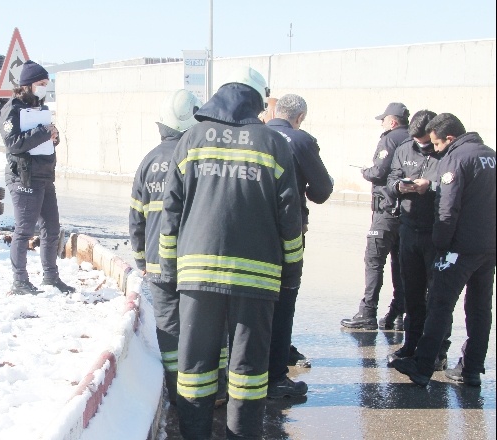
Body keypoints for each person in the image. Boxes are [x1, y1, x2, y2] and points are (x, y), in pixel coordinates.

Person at [160, 66, 303, 439]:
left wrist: (169, 271)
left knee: (195, 369)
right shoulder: (274, 143)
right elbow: (292, 218)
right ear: (258, 99)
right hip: (257, 280)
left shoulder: (191, 139)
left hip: (197, 276)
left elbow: (170, 212)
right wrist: (291, 274)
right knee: (249, 373)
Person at [129, 89, 230, 407]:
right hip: (197, 263)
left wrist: (142, 259)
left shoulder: (148, 162)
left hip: (159, 265)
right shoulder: (202, 158)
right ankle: (219, 389)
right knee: (212, 325)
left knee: (170, 329)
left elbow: (136, 217)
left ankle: (178, 393)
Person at [392, 113, 496, 387]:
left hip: (459, 248)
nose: (436, 150)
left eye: (436, 145)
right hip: (488, 247)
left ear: (449, 138)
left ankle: (423, 365)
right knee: (480, 309)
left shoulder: (456, 158)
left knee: (439, 304)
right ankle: (471, 369)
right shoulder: (491, 156)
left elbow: (447, 211)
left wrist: (440, 245)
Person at [265, 94, 334, 397]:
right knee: (284, 298)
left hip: (249, 233)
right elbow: (321, 190)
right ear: (300, 117)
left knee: (253, 300)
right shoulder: (301, 141)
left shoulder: (257, 135)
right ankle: (276, 377)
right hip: (289, 231)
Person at [0, 60, 74, 295]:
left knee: (52, 229)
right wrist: (42, 133)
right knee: (24, 230)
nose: (44, 87)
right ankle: (19, 280)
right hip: (23, 177)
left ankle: (51, 277)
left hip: (44, 176)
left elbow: (44, 138)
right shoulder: (12, 109)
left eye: (46, 83)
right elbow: (13, 144)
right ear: (28, 85)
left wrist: (53, 136)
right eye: (40, 83)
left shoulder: (40, 107)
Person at [383, 110, 450, 371]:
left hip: (436, 233)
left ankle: (437, 351)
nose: (423, 146)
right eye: (418, 141)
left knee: (438, 296)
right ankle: (411, 345)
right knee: (411, 292)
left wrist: (429, 186)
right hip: (408, 229)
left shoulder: (445, 152)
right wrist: (400, 186)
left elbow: (452, 188)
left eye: (426, 141)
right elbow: (389, 179)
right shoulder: (404, 148)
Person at [341, 102, 410, 330]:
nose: (381, 123)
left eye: (383, 119)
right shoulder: (414, 139)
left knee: (374, 261)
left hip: (386, 210)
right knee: (401, 264)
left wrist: (365, 171)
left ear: (392, 121)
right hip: (407, 214)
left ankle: (367, 312)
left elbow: (379, 171)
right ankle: (399, 313)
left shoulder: (389, 138)